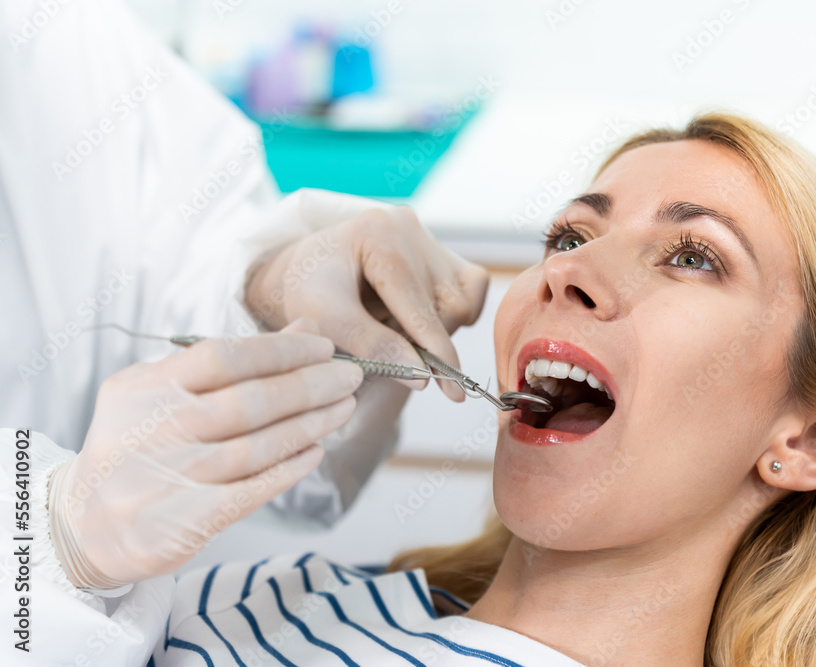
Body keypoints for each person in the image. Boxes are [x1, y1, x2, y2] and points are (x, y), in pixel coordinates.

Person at [5, 111, 816, 666]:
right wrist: (46, 542)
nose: (566, 272)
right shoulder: (304, 598)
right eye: (569, 234)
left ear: (814, 438)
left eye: (692, 256)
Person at [0, 0, 488, 527]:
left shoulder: (56, 36)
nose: (564, 280)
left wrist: (267, 288)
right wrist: (50, 547)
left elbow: (183, 268)